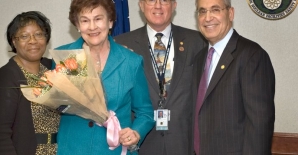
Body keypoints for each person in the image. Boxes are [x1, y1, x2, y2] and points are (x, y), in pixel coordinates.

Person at [55, 0, 155, 155]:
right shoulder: (62, 57)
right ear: (77, 25)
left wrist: (136, 132)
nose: (92, 27)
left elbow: (145, 112)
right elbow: (54, 104)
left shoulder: (131, 61)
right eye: (85, 21)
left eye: (98, 19)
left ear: (110, 22)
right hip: (72, 149)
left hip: (114, 150)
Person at [115, 0, 206, 154]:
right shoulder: (121, 45)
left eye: (164, 0)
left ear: (174, 4)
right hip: (141, 143)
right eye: (151, 0)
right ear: (141, 5)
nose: (158, 5)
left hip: (185, 143)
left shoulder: (198, 42)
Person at [190, 0, 275, 154]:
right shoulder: (199, 58)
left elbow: (260, 124)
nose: (207, 18)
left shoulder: (251, 55)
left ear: (230, 13)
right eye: (202, 11)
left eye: (215, 10)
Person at [0, 11, 60, 155]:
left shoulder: (53, 69)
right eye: (24, 36)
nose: (33, 40)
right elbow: (0, 137)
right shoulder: (6, 76)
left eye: (39, 34)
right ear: (14, 42)